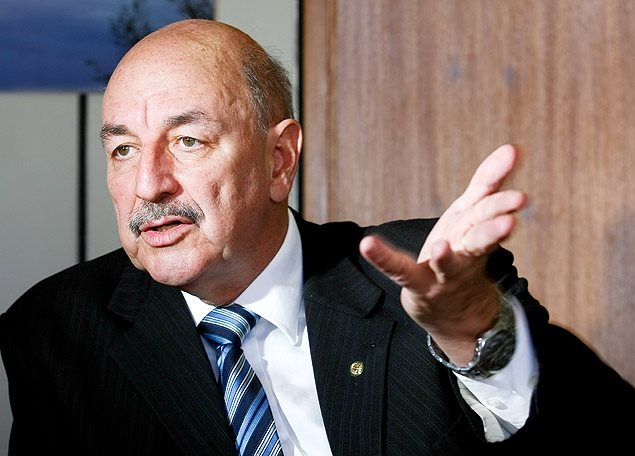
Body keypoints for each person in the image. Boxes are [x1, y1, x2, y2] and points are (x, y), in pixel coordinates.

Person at [0, 18, 633, 456]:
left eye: (187, 141)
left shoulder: (423, 273)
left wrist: (475, 337)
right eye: (123, 150)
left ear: (279, 160)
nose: (148, 185)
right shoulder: (58, 329)